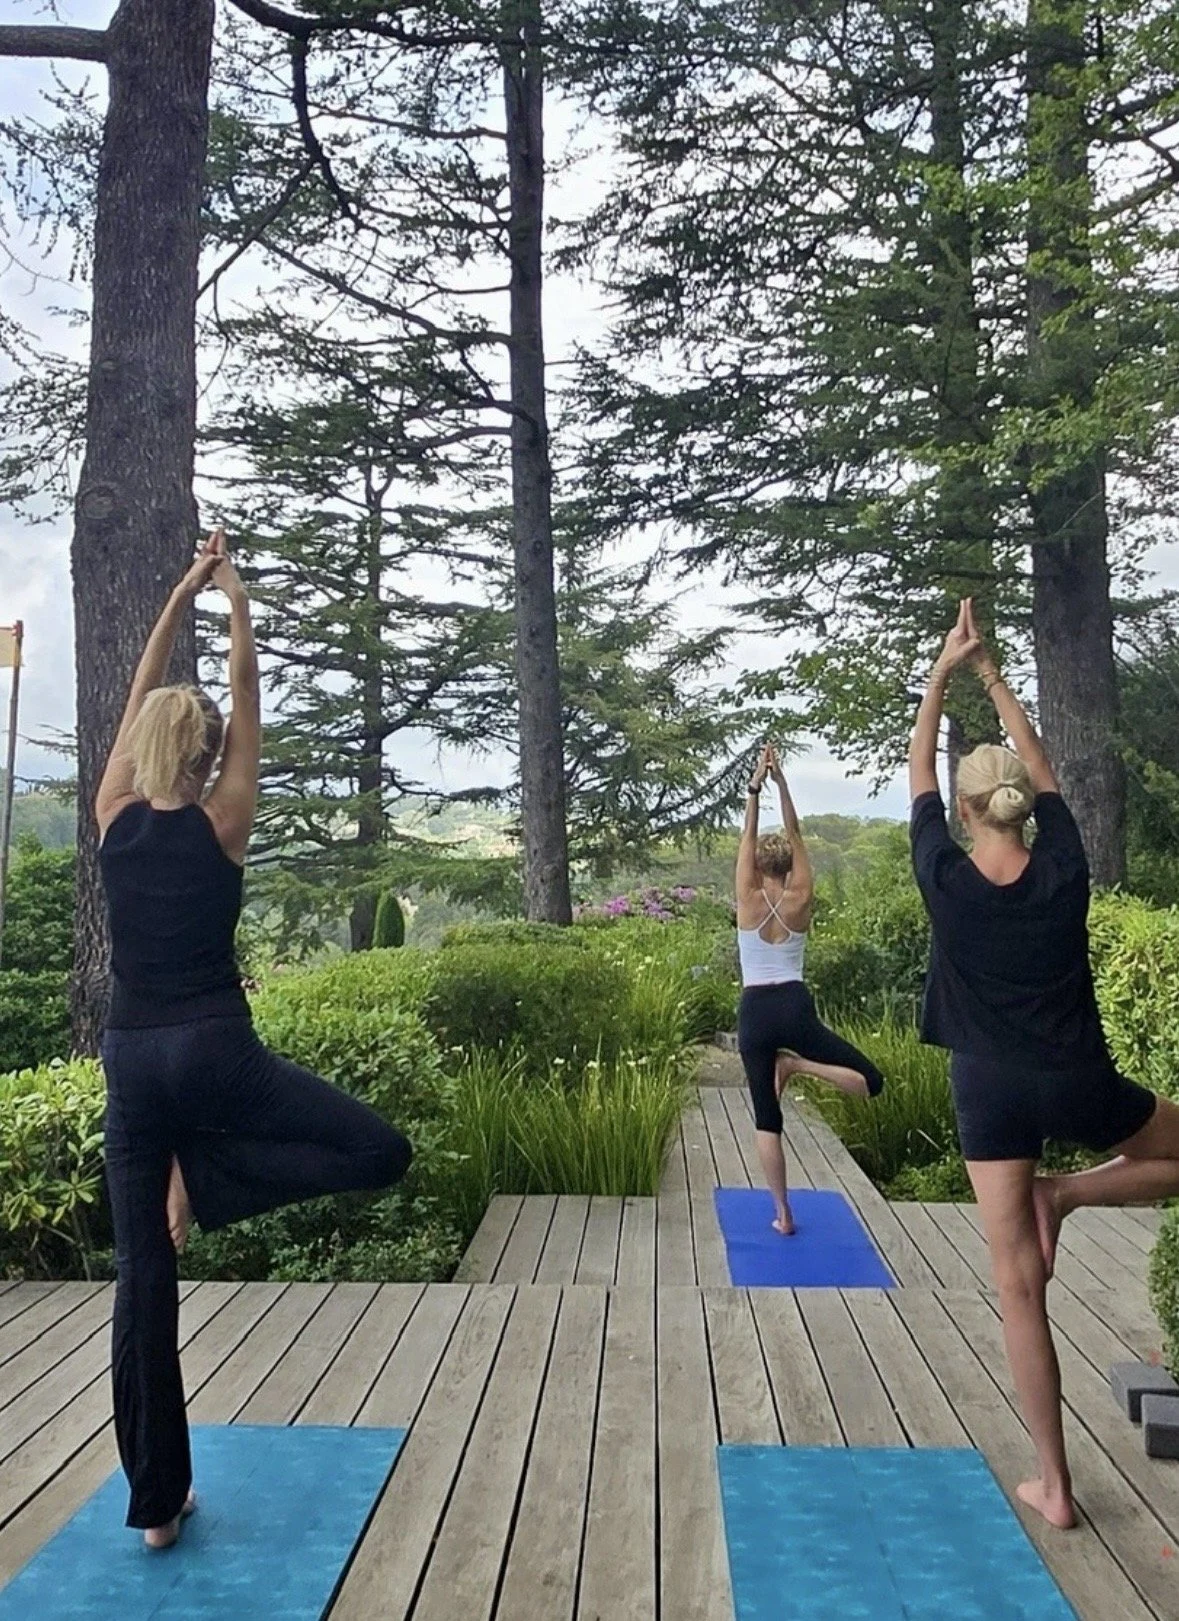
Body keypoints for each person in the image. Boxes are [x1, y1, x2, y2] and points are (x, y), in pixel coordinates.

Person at [97, 530, 412, 1550]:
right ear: (207, 755)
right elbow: (245, 694)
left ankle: (155, 1505)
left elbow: (144, 689)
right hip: (216, 1053)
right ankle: (215, 1179)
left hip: (133, 1063)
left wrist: (177, 594)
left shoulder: (110, 817)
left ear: (145, 746)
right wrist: (232, 597)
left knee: (145, 1277)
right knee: (377, 1151)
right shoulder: (223, 819)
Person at [909, 597, 1179, 1531]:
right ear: (1022, 802)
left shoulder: (942, 876)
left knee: (1018, 1289)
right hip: (1076, 1078)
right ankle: (1072, 1191)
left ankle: (1054, 1488)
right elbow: (1046, 766)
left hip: (986, 1090)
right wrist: (991, 676)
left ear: (968, 808)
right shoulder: (1064, 861)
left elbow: (917, 781)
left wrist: (944, 672)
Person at [736, 743, 884, 1235]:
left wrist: (756, 785)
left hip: (756, 1010)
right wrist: (782, 784)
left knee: (765, 1116)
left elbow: (747, 834)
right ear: (791, 866)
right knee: (871, 1083)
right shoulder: (801, 897)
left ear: (759, 865)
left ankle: (783, 1215)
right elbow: (794, 832)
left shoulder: (748, 896)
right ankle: (797, 1064)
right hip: (796, 1008)